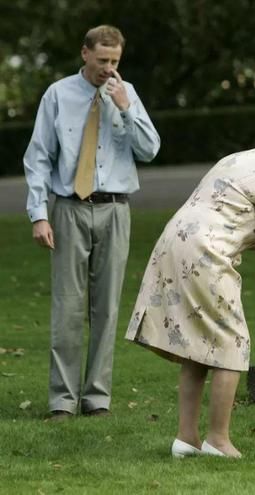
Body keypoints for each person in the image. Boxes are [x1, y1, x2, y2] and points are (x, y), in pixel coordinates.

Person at [125, 127, 255, 458]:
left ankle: (186, 439)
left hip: (174, 243)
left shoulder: (245, 157)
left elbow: (226, 217)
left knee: (199, 346)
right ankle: (217, 441)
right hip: (203, 256)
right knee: (233, 343)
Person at [23, 25, 161, 421]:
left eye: (115, 61)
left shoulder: (126, 93)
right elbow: (38, 159)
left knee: (107, 308)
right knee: (67, 306)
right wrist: (39, 214)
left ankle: (96, 398)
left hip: (116, 210)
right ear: (84, 54)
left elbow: (150, 150)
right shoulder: (58, 95)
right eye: (102, 60)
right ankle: (61, 401)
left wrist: (125, 107)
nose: (108, 68)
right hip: (68, 208)